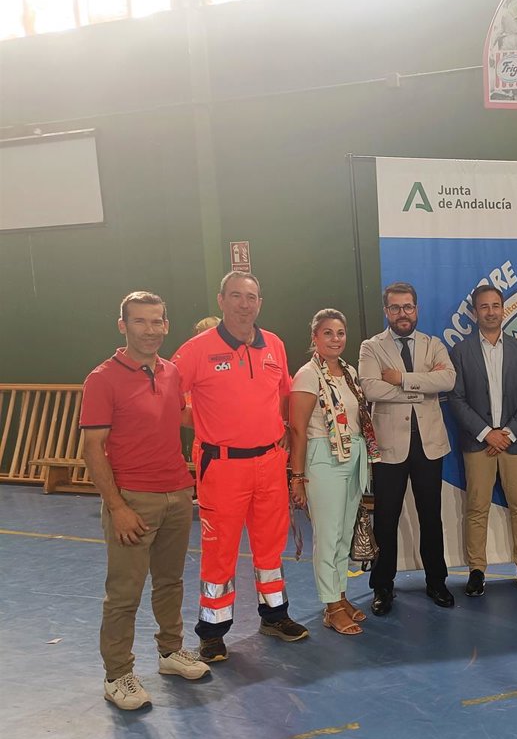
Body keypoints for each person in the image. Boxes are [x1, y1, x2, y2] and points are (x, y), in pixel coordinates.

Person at [81, 291, 210, 709]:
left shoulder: (172, 373)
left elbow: (180, 418)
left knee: (170, 582)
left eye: (157, 321)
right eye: (139, 321)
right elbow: (92, 448)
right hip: (133, 500)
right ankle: (117, 674)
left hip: (177, 492)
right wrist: (117, 507)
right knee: (124, 593)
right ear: (123, 326)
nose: (150, 330)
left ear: (166, 325)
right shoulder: (102, 378)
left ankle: (171, 652)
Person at [172, 272, 308, 663]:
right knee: (220, 550)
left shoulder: (274, 345)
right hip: (223, 466)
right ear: (221, 300)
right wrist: (207, 423)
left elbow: (283, 397)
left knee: (271, 546)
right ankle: (212, 632)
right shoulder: (197, 350)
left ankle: (275, 615)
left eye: (251, 297)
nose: (244, 304)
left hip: (269, 463)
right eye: (236, 296)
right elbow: (166, 400)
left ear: (259, 303)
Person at [359, 281, 457, 613]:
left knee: (431, 517)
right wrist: (424, 386)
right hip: (389, 447)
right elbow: (371, 389)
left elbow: (447, 380)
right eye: (396, 307)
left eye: (408, 306)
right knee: (385, 519)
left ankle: (437, 582)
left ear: (417, 309)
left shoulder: (434, 344)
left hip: (429, 446)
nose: (403, 313)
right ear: (386, 311)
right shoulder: (371, 347)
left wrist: (401, 379)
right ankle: (382, 586)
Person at [289, 309, 380, 635]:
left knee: (343, 534)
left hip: (353, 457)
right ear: (315, 337)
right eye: (327, 333)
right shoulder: (307, 375)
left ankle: (340, 596)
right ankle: (330, 607)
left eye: (340, 333)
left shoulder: (349, 372)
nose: (335, 339)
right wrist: (297, 476)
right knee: (327, 537)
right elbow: (297, 429)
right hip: (323, 458)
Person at [447, 285, 517, 596]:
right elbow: (457, 399)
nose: (490, 312)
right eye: (484, 307)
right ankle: (476, 570)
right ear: (475, 313)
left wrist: (508, 434)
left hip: (514, 441)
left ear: (503, 309)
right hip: (479, 443)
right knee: (476, 508)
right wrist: (487, 433)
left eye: (495, 305)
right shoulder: (460, 351)